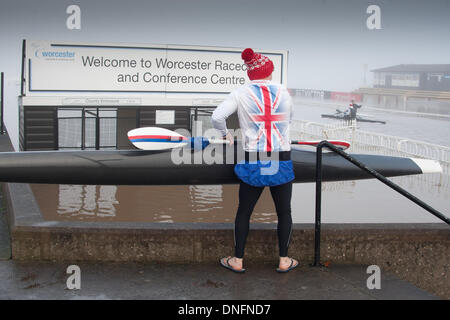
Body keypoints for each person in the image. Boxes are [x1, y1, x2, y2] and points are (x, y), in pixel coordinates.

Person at [211, 48, 298, 273]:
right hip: (281, 158)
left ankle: (238, 260)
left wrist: (225, 135)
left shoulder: (240, 92)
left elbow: (217, 117)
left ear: (251, 74)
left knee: (244, 212)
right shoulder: (284, 92)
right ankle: (284, 260)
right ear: (269, 72)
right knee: (284, 212)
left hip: (254, 158)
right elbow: (289, 120)